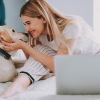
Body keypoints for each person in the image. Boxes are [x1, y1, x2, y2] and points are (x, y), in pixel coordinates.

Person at [0, 0, 100, 98]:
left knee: (40, 50)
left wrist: (24, 46)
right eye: (25, 24)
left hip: (94, 61)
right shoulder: (39, 34)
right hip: (73, 63)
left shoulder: (71, 26)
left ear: (43, 18)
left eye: (29, 23)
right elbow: (33, 60)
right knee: (39, 49)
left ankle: (17, 86)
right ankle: (18, 86)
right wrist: (22, 46)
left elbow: (59, 67)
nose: (27, 28)